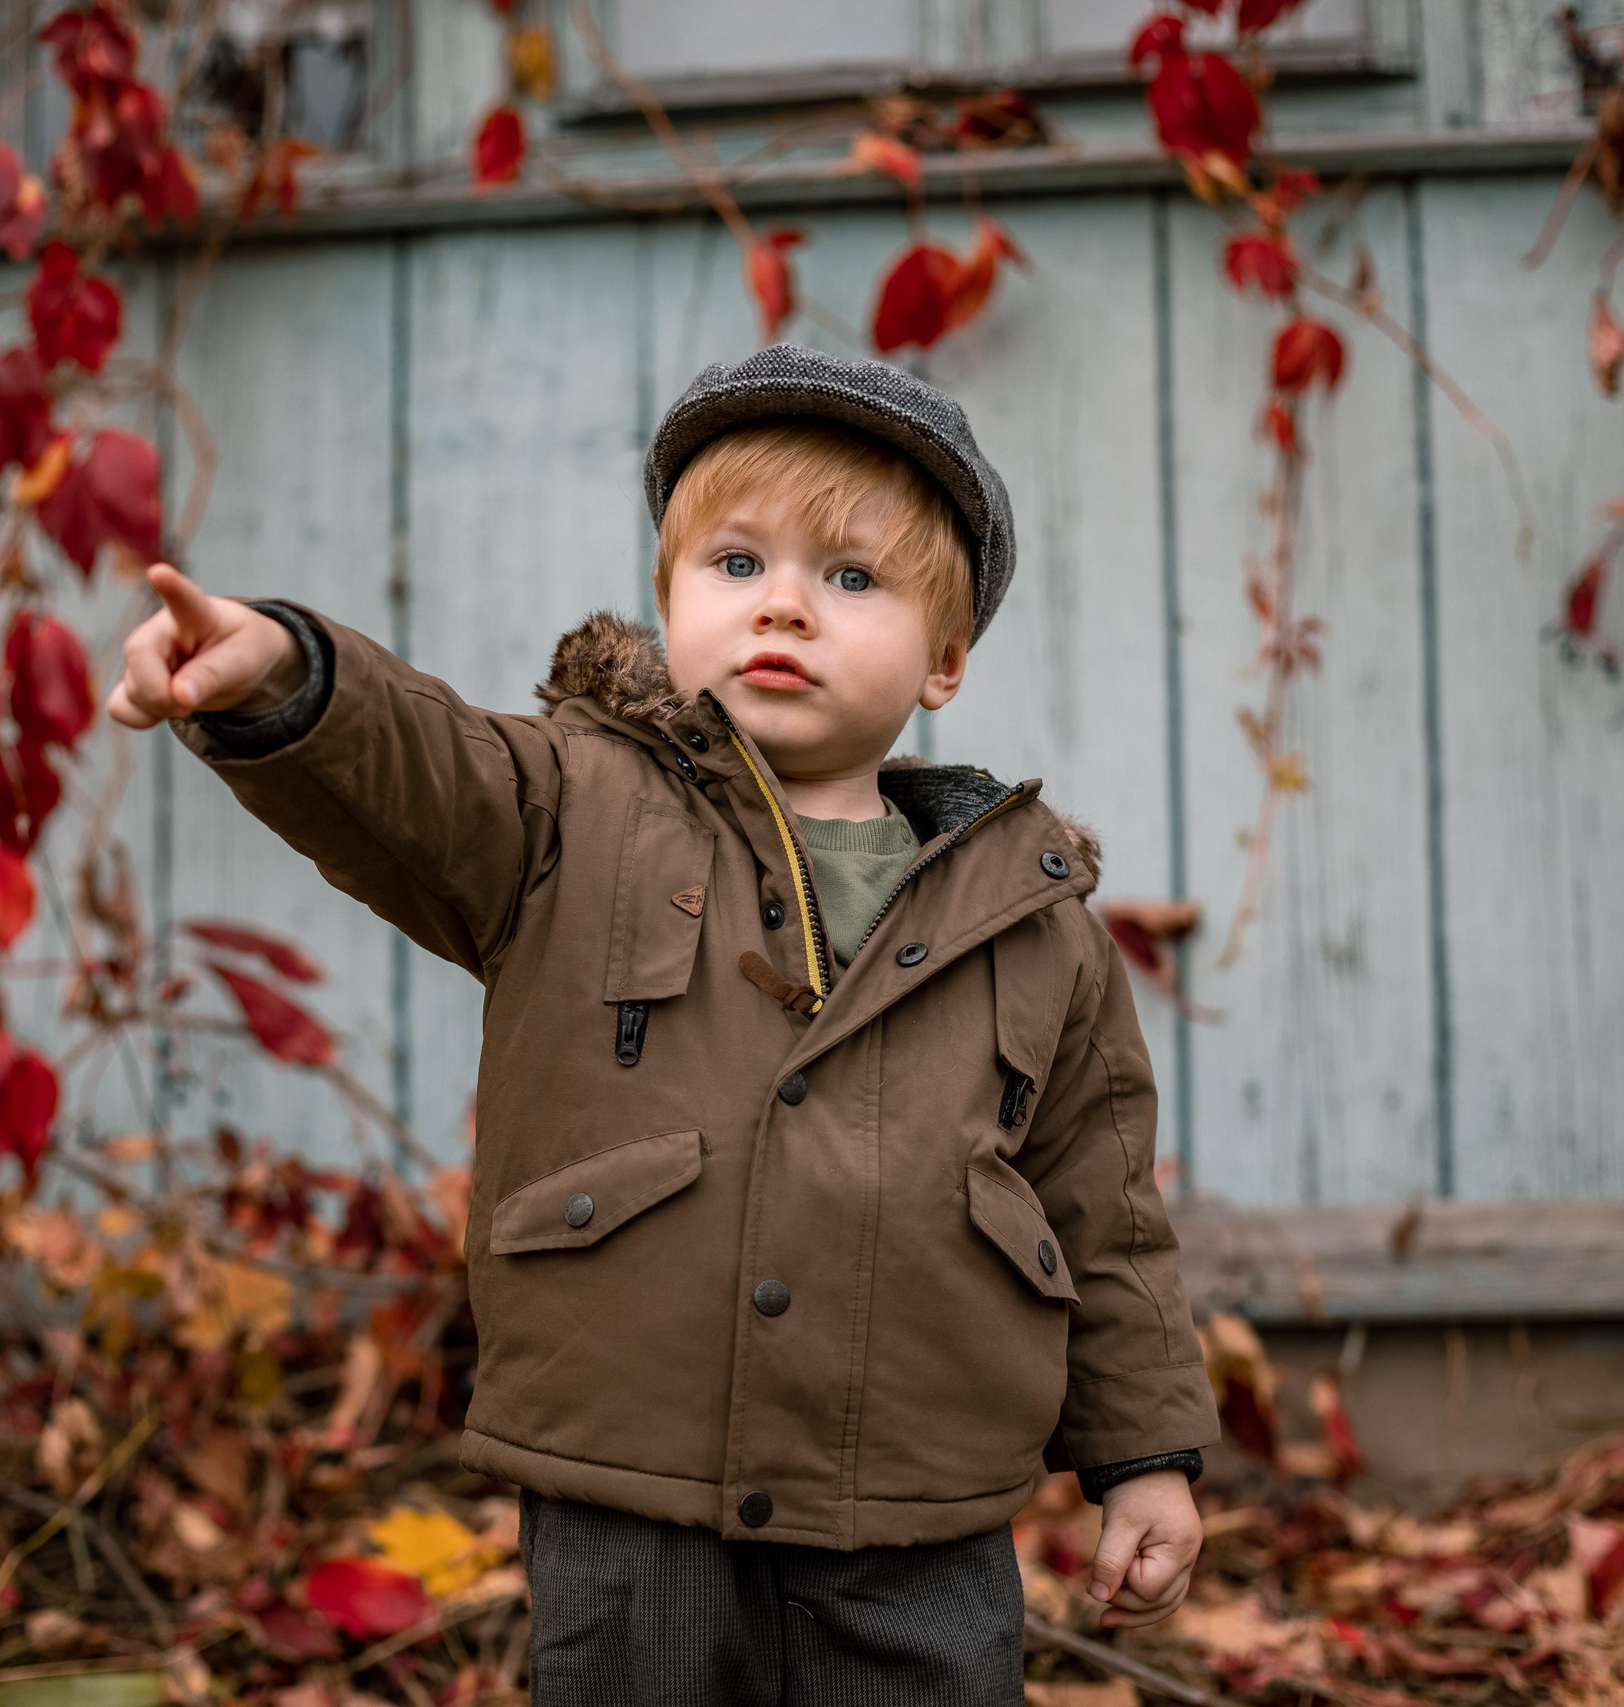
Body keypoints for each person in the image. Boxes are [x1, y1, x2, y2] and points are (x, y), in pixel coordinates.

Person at [108, 343, 1219, 1705]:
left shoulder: (1032, 920)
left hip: (916, 1502)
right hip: (634, 1476)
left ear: (945, 660)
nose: (785, 606)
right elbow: (417, 766)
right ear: (668, 601)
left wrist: (1144, 1455)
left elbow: (1103, 1210)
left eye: (851, 578)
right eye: (737, 564)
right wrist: (287, 675)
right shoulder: (566, 810)